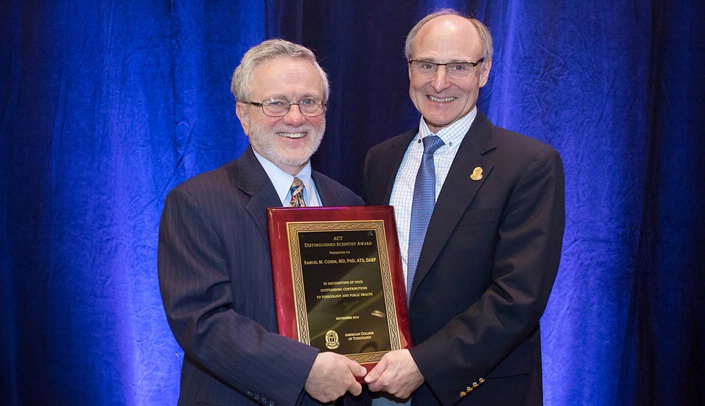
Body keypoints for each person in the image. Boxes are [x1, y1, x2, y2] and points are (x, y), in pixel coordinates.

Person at [362, 10, 565, 406]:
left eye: (458, 66)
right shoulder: (380, 159)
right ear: (409, 70)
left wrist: (423, 364)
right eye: (426, 65)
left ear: (484, 71)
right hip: (380, 388)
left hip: (478, 390)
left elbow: (517, 297)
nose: (439, 83)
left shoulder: (529, 164)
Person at [158, 39, 368, 405]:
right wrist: (305, 370)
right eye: (276, 103)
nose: (295, 117)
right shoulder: (196, 202)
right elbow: (203, 324)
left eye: (309, 102)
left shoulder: (349, 204)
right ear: (243, 114)